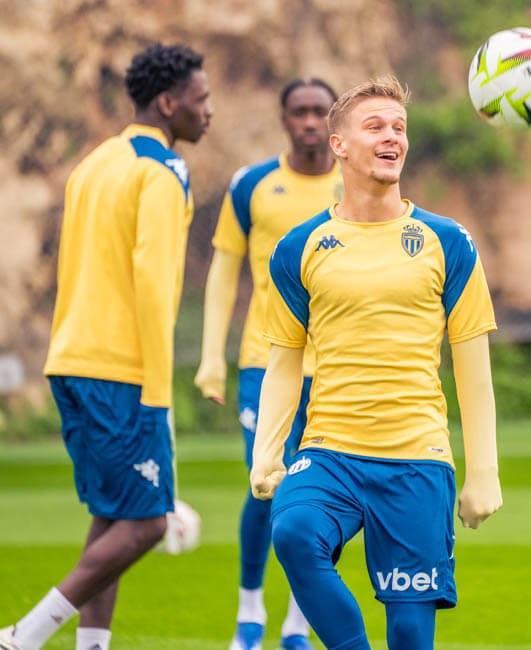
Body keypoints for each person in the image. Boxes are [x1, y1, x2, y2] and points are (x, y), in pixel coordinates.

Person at [248, 74, 502, 650]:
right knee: (293, 532)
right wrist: (268, 450)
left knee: (409, 634)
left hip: (416, 458)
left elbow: (474, 372)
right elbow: (283, 363)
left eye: (399, 128)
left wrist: (483, 471)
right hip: (329, 451)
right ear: (338, 145)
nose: (392, 137)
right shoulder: (298, 247)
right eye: (375, 127)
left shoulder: (447, 241)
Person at [0, 43, 212, 650]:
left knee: (112, 514)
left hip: (71, 359)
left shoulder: (94, 163)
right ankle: (22, 638)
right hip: (121, 370)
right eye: (201, 99)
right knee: (148, 525)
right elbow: (153, 285)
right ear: (169, 104)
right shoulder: (163, 171)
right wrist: (159, 393)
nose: (209, 111)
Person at [194, 77, 341, 650]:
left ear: (333, 120)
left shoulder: (356, 183)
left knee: (322, 495)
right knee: (266, 487)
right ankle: (249, 612)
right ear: (283, 119)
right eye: (298, 111)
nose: (309, 121)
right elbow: (223, 270)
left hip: (338, 367)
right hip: (266, 361)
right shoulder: (252, 185)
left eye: (319, 111)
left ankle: (297, 625)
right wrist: (212, 358)